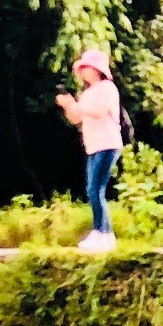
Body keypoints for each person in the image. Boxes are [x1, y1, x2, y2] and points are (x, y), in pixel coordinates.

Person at [58, 48, 125, 250]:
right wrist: (68, 106)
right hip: (93, 146)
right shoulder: (87, 93)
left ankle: (104, 232)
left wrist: (77, 106)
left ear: (97, 70)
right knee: (92, 189)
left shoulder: (108, 88)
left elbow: (99, 111)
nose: (83, 71)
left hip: (108, 144)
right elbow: (76, 119)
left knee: (96, 189)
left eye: (87, 67)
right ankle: (100, 231)